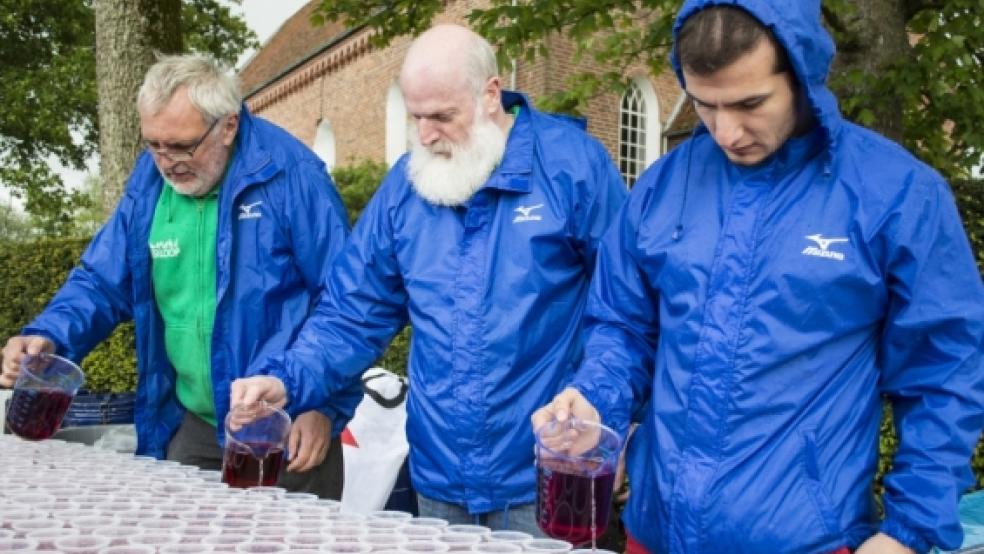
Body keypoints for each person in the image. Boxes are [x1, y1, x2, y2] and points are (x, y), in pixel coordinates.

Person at [532, 1, 984, 553]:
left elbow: (945, 375)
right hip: (655, 534)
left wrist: (908, 531)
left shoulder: (897, 194)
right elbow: (623, 327)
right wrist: (594, 397)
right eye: (705, 105)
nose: (726, 132)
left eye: (750, 103)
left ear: (801, 73)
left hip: (807, 539)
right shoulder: (662, 186)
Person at [231, 24, 627, 531]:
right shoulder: (405, 186)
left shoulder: (573, 167)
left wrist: (611, 417)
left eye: (442, 116)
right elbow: (351, 314)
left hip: (548, 471)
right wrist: (286, 379)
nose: (425, 135)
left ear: (490, 94)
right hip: (439, 477)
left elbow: (625, 311)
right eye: (416, 116)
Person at [0, 54, 362, 498]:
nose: (167, 162)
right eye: (154, 145)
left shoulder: (292, 176)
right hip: (192, 423)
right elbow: (101, 279)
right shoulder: (149, 182)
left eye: (182, 146)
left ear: (227, 126)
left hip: (284, 428)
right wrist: (50, 334)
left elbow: (348, 305)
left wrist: (325, 407)